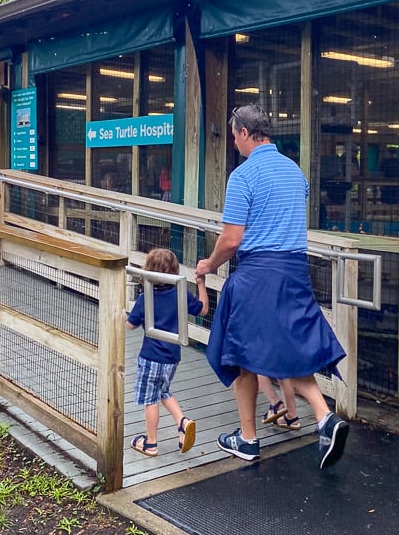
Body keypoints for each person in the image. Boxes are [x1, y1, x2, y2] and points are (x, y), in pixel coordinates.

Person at [195, 103, 349, 469]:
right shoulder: (296, 173)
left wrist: (209, 264)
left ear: (245, 133)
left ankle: (248, 439)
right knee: (290, 347)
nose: (234, 144)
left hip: (257, 275)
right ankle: (325, 417)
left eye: (234, 137)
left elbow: (232, 240)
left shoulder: (243, 176)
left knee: (242, 357)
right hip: (295, 271)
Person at [127, 248, 209, 457]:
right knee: (163, 390)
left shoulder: (146, 297)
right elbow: (202, 310)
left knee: (150, 399)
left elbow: (130, 325)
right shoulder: (180, 293)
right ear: (174, 270)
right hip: (172, 357)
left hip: (150, 357)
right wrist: (201, 284)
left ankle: (151, 443)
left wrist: (120, 313)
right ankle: (183, 422)